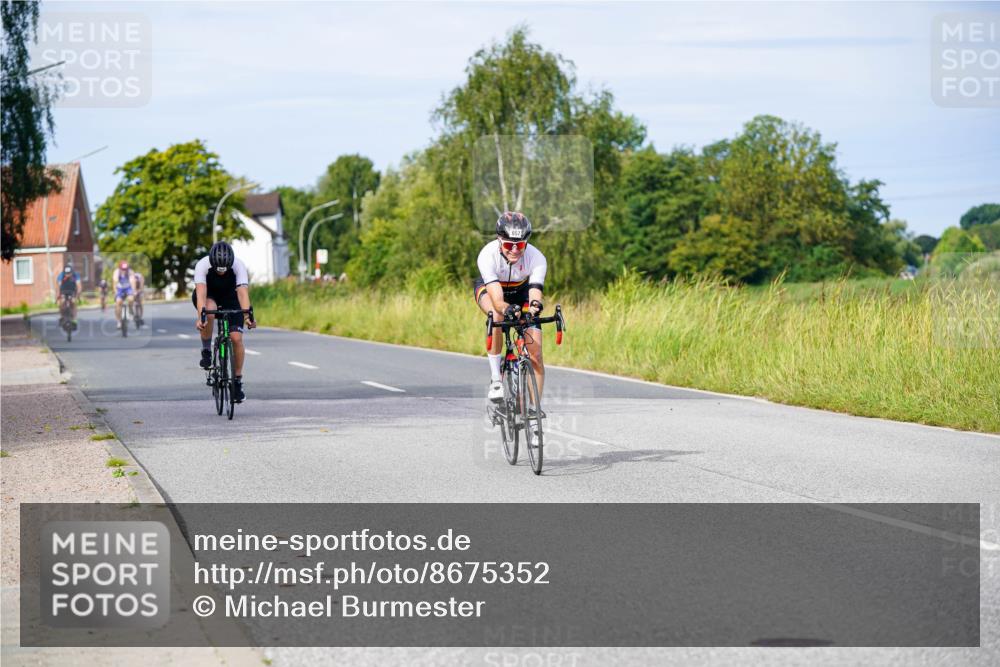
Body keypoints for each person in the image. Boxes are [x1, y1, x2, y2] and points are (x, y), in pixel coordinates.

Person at [474, 211, 547, 408]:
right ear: (499, 240)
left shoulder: (537, 257)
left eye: (520, 245)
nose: (514, 250)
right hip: (492, 290)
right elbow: (498, 300)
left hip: (522, 290)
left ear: (526, 243)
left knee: (536, 355)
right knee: (496, 314)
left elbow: (534, 294)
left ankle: (534, 411)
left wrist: (533, 310)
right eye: (508, 245)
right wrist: (507, 309)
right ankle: (497, 379)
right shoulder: (487, 256)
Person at [193, 241, 256, 402]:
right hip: (210, 295)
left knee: (236, 338)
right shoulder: (202, 265)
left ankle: (237, 382)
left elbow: (242, 293)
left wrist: (247, 317)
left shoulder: (238, 266)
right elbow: (201, 293)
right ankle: (206, 349)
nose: (221, 273)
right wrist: (201, 316)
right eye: (217, 269)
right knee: (209, 310)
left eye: (224, 270)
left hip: (230, 297)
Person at [112, 260, 138, 330]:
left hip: (128, 288)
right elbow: (115, 283)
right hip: (120, 289)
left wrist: (134, 291)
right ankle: (118, 321)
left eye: (125, 269)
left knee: (131, 299)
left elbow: (133, 282)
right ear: (119, 268)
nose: (124, 270)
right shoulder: (116, 272)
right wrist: (115, 292)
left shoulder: (130, 272)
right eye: (122, 269)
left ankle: (130, 311)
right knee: (118, 302)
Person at [57, 264, 81, 328]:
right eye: (66, 273)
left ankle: (74, 319)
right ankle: (62, 316)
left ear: (72, 272)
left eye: (69, 273)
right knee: (61, 302)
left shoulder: (76, 275)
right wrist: (58, 296)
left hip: (72, 291)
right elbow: (59, 287)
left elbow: (79, 286)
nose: (67, 275)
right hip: (64, 290)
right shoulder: (61, 276)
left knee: (73, 302)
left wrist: (78, 295)